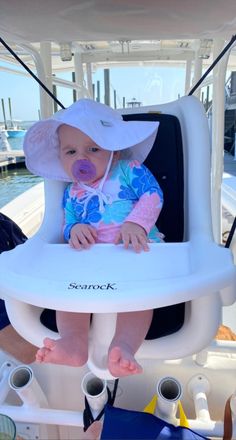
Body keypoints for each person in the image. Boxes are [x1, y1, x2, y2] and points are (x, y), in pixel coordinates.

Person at [23, 99, 163, 377]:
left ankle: (123, 347)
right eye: (71, 151)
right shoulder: (73, 191)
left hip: (132, 249)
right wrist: (74, 231)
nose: (81, 159)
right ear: (61, 158)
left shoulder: (128, 169)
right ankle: (73, 343)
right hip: (90, 261)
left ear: (115, 150)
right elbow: (69, 222)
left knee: (140, 300)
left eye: (93, 149)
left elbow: (153, 194)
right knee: (68, 295)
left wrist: (137, 223)